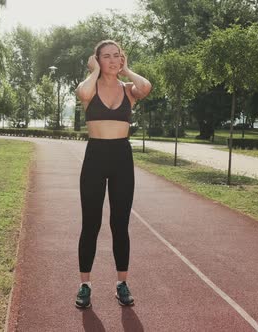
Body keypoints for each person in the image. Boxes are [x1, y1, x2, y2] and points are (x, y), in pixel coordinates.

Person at [74, 39, 152, 308]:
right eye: (105, 56)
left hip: (121, 157)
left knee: (120, 224)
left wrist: (127, 70)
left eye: (116, 56)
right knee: (91, 224)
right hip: (95, 157)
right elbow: (82, 93)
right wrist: (94, 71)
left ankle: (122, 283)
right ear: (97, 60)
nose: (112, 60)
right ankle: (85, 285)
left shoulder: (129, 90)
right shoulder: (90, 88)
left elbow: (146, 87)